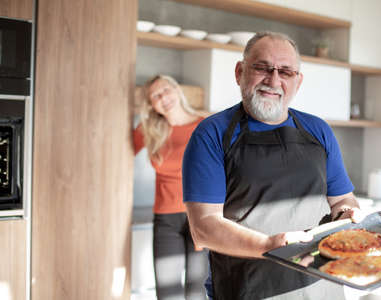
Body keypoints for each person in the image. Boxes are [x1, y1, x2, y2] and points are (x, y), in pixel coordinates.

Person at [182, 32, 364, 299]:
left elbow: (342, 200)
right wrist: (268, 245)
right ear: (239, 72)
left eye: (286, 72)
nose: (273, 80)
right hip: (248, 288)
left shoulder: (318, 130)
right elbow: (204, 228)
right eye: (261, 67)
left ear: (298, 82)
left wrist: (349, 213)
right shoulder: (212, 133)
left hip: (322, 286)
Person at [134, 75, 209, 300]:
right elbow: (117, 148)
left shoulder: (205, 125)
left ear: (177, 91)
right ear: (152, 105)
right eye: (156, 95)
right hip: (166, 220)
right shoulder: (149, 130)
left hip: (201, 217)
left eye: (166, 90)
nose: (163, 97)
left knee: (198, 292)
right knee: (167, 294)